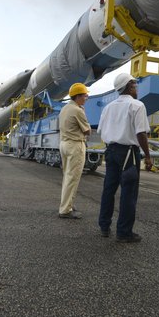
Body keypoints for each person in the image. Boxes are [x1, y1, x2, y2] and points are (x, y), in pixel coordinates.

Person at [97, 73, 153, 243]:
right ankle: (124, 232)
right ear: (129, 86)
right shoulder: (137, 105)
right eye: (135, 85)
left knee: (109, 190)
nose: (137, 88)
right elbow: (141, 133)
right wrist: (148, 157)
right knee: (128, 193)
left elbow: (100, 131)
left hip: (111, 151)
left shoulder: (108, 107)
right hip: (129, 154)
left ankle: (104, 226)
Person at [58, 83, 91, 219]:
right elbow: (87, 130)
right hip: (75, 146)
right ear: (78, 96)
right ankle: (65, 210)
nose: (86, 98)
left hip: (64, 144)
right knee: (73, 178)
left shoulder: (64, 108)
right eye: (85, 95)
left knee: (67, 177)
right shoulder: (78, 110)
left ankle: (67, 204)